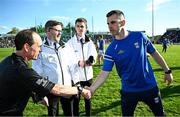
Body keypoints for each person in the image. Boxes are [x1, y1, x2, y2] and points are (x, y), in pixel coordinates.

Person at [89, 10, 173, 116]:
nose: (109, 26)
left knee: (160, 115)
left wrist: (167, 71)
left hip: (150, 87)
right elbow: (104, 72)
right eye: (108, 23)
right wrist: (92, 88)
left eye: (113, 22)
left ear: (123, 23)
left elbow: (155, 54)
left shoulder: (140, 37)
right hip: (129, 91)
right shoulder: (111, 49)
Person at [0, 29, 91, 116]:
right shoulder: (22, 70)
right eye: (39, 46)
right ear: (27, 47)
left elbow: (21, 83)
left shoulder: (8, 61)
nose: (41, 49)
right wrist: (80, 90)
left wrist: (36, 95)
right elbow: (56, 89)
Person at [32, 20, 78, 116]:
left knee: (70, 114)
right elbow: (36, 71)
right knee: (53, 115)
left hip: (67, 88)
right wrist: (40, 91)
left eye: (61, 31)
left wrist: (76, 83)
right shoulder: (40, 48)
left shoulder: (66, 46)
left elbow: (72, 66)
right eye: (58, 30)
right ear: (48, 30)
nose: (60, 33)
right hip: (51, 89)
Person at [66, 18, 97, 116]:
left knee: (88, 98)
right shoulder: (70, 43)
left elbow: (93, 56)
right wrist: (78, 63)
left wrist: (89, 61)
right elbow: (68, 59)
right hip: (76, 78)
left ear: (86, 28)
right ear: (75, 28)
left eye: (82, 26)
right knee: (76, 100)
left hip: (88, 76)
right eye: (78, 26)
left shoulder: (90, 42)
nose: (80, 28)